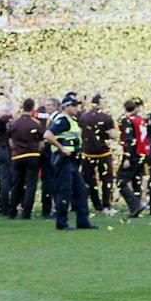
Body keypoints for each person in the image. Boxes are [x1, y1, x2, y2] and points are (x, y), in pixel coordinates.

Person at [43, 92, 97, 231]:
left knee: (81, 190)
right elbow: (47, 135)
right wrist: (62, 148)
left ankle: (83, 221)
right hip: (63, 160)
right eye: (73, 105)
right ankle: (62, 222)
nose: (76, 108)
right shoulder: (63, 120)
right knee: (65, 191)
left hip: (71, 161)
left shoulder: (71, 120)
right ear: (66, 107)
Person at [78, 92, 116, 214]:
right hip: (103, 153)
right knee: (107, 179)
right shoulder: (106, 117)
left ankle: (95, 204)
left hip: (87, 153)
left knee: (89, 180)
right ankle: (106, 206)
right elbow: (112, 135)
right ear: (99, 103)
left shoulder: (83, 117)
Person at [7, 97, 44, 219]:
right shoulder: (36, 123)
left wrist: (16, 150)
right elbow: (41, 142)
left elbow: (10, 141)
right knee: (31, 184)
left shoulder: (15, 123)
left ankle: (12, 211)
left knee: (16, 184)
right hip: (32, 155)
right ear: (33, 108)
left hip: (17, 156)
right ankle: (26, 212)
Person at [116, 99, 148, 217]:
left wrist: (127, 157)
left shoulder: (128, 121)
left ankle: (135, 205)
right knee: (136, 180)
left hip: (133, 154)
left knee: (121, 180)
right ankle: (136, 206)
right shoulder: (141, 120)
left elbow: (129, 140)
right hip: (141, 153)